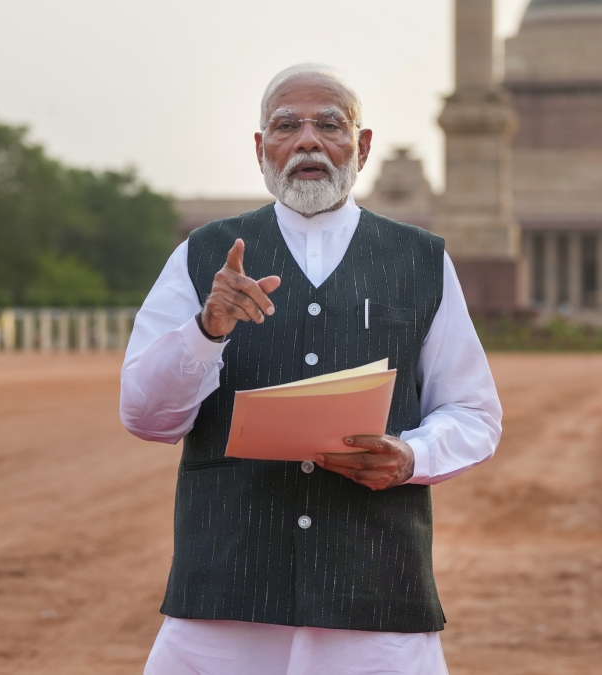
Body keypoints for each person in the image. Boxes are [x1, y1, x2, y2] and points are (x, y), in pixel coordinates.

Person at [119, 63, 503, 675]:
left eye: (329, 125)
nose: (307, 141)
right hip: (227, 595)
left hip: (374, 592)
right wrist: (206, 330)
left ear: (363, 145)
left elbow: (474, 412)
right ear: (259, 148)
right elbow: (145, 416)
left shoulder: (419, 260)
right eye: (285, 126)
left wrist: (412, 456)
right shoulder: (203, 256)